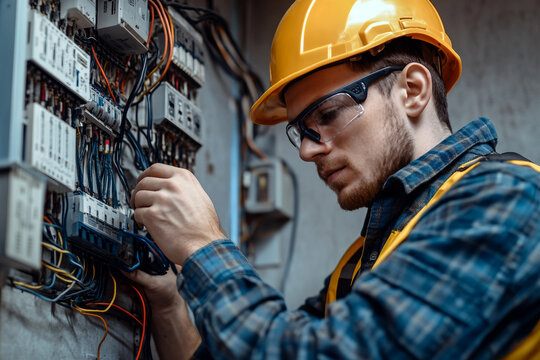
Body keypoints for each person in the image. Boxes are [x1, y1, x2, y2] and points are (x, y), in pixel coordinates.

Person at [126, 0, 540, 358]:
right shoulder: (358, 267)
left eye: (327, 115)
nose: (307, 151)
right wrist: (168, 303)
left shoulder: (506, 200)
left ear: (413, 90)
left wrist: (204, 246)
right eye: (301, 131)